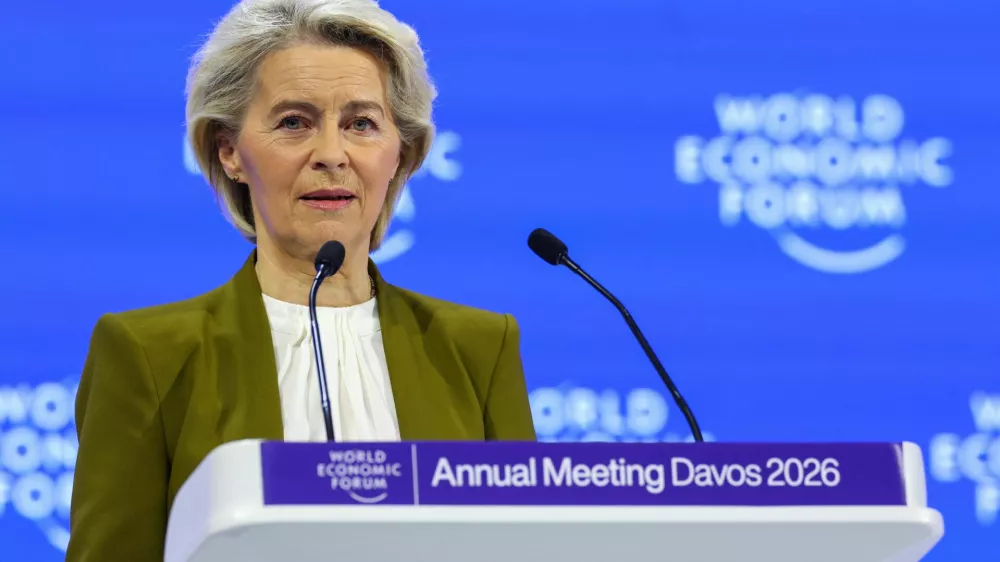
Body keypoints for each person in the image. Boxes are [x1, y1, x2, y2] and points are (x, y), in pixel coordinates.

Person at [65, 0, 536, 559]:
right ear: (230, 151)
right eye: (295, 122)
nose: (332, 155)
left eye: (362, 124)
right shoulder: (149, 354)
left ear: (400, 153)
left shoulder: (478, 349)